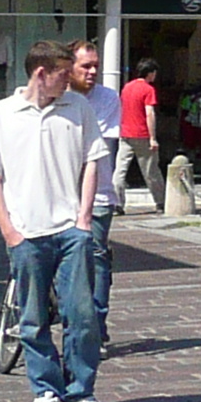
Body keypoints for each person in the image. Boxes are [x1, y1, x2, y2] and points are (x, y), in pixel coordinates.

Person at [0, 39, 110, 402]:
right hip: (27, 233)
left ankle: (81, 392)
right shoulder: (0, 114)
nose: (71, 80)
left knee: (82, 316)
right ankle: (46, 392)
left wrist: (84, 219)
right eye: (64, 74)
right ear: (41, 73)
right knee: (32, 319)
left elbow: (91, 162)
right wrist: (9, 231)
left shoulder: (77, 108)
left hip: (70, 230)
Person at [68, 42, 124, 328]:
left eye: (95, 67)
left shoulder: (107, 98)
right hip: (59, 194)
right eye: (85, 66)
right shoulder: (57, 96)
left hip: (99, 194)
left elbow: (99, 145)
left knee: (97, 260)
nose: (92, 72)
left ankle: (96, 327)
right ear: (69, 67)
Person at [119, 57, 162, 209]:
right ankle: (160, 202)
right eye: (154, 73)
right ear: (150, 73)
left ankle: (118, 203)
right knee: (151, 172)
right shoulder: (148, 90)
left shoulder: (126, 87)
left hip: (125, 133)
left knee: (119, 171)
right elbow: (149, 113)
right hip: (142, 134)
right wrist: (153, 138)